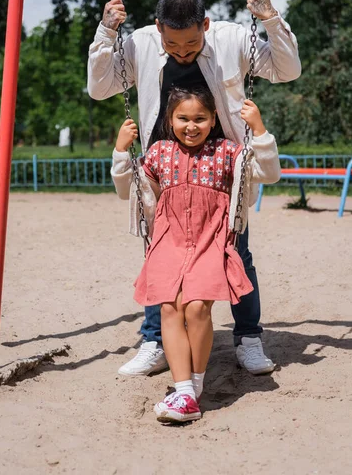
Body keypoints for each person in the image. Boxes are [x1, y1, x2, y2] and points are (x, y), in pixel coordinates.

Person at [87, 0, 301, 377]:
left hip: (220, 167)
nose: (181, 52)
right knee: (160, 260)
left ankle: (248, 338)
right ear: (158, 29)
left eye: (190, 43)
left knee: (237, 254)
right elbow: (100, 88)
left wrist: (269, 18)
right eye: (172, 44)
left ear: (206, 25)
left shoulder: (233, 38)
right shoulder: (140, 43)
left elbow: (287, 70)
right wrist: (106, 32)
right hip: (164, 167)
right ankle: (154, 341)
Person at [111, 87, 280, 423]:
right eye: (183, 118)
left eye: (200, 118)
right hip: (169, 242)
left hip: (211, 240)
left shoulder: (228, 152)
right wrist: (120, 150)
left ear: (213, 119)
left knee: (198, 307)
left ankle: (195, 385)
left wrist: (259, 131)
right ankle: (184, 390)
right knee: (170, 308)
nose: (191, 125)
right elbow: (128, 191)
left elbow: (269, 174)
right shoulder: (159, 153)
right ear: (170, 120)